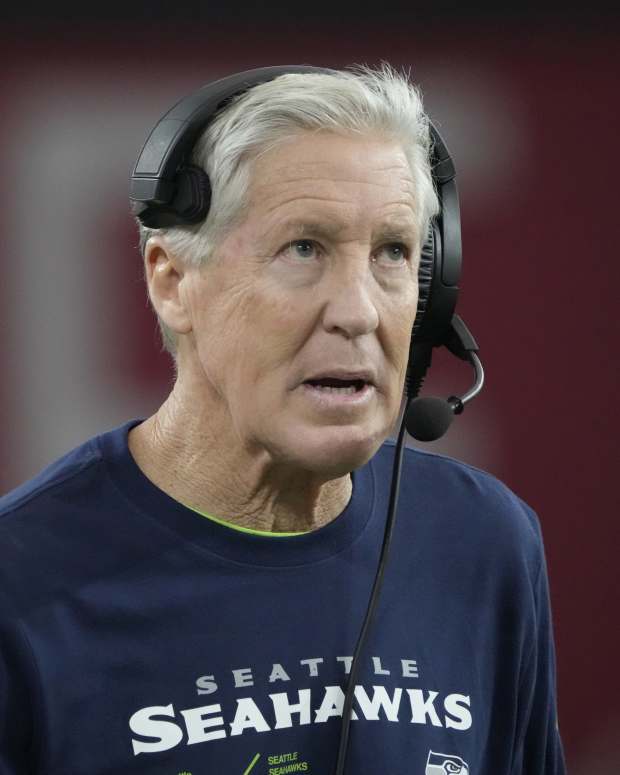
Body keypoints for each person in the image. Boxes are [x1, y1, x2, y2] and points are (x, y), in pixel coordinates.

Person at [0, 63, 566, 775]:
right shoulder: (21, 584)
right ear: (172, 281)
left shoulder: (484, 544)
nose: (359, 311)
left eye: (393, 252)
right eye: (305, 248)